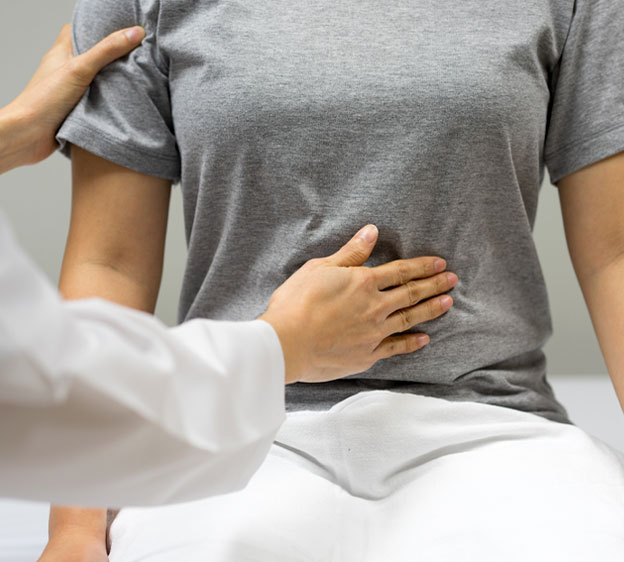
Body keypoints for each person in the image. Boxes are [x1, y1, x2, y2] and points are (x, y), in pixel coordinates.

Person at [43, 0, 624, 560]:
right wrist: (75, 527)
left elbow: (614, 258)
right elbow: (109, 263)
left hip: (492, 425)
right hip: (234, 432)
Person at [0, 25, 458, 508]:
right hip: (251, 446)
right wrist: (289, 344)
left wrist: (10, 133)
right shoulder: (141, 15)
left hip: (483, 423)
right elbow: (51, 371)